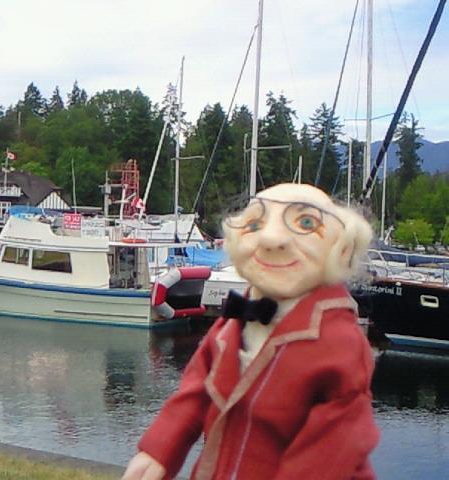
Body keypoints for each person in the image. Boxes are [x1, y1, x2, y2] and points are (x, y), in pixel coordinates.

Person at [122, 183, 380, 480]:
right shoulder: (235, 319)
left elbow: (334, 446)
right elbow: (197, 389)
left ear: (342, 249)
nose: (270, 238)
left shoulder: (339, 342)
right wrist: (159, 449)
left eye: (306, 223)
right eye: (255, 224)